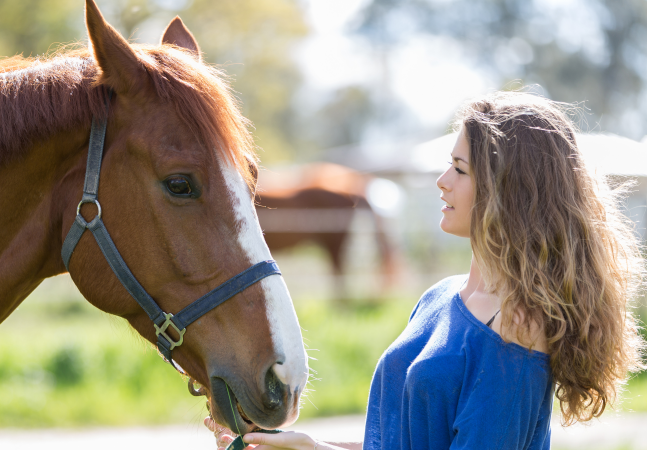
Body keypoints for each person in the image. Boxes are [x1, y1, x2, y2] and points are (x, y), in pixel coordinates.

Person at [205, 91, 646, 449]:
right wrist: (308, 447)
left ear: (508, 191)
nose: (442, 180)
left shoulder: (517, 328)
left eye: (460, 169)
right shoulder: (441, 296)